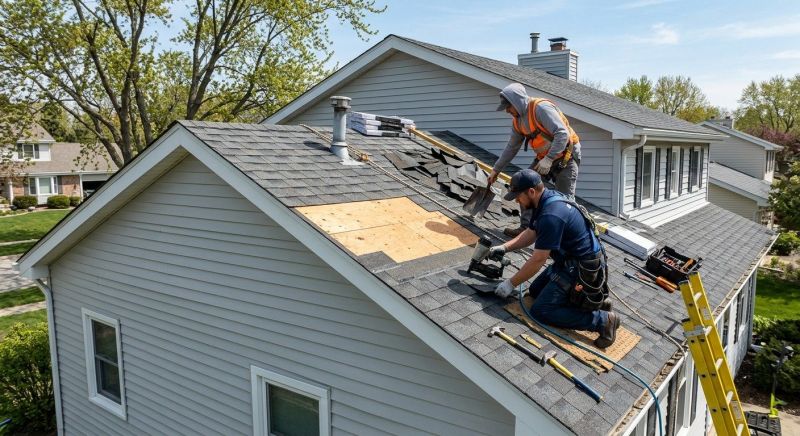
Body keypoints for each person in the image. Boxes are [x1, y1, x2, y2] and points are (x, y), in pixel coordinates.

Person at [490, 169, 620, 348]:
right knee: (534, 292)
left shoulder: (552, 214)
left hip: (580, 270)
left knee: (541, 311)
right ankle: (595, 302)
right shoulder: (545, 199)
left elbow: (538, 259)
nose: (517, 201)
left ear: (531, 191)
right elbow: (532, 232)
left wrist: (510, 284)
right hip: (567, 262)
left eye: (518, 196)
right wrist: (505, 247)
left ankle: (602, 320)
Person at [487, 83, 582, 237]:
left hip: (567, 156)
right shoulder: (517, 121)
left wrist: (549, 159)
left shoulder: (541, 108)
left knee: (566, 200)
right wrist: (496, 170)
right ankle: (526, 229)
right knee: (525, 185)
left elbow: (562, 134)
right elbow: (511, 147)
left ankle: (566, 238)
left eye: (508, 106)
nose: (507, 111)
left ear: (517, 102)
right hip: (544, 158)